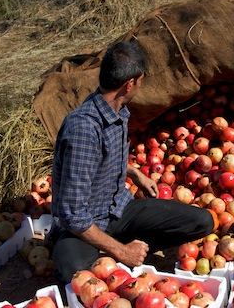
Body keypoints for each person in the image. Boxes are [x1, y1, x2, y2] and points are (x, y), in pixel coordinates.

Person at [49, 40, 215, 286]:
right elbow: (74, 216)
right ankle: (112, 251)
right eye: (141, 80)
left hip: (118, 209)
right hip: (85, 226)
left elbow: (105, 156)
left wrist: (136, 174)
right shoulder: (83, 129)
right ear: (130, 84)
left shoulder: (118, 111)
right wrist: (121, 252)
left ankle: (114, 250)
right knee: (73, 274)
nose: (141, 85)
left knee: (203, 221)